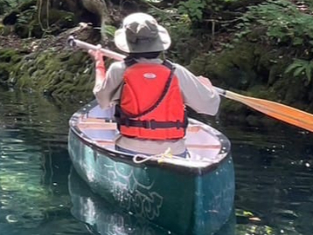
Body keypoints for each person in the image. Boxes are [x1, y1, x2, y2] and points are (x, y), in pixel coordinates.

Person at [93, 12, 220, 156]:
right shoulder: (176, 72)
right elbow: (210, 106)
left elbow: (102, 102)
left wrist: (99, 64)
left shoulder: (119, 70)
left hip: (130, 148)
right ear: (158, 42)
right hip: (174, 151)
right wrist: (208, 87)